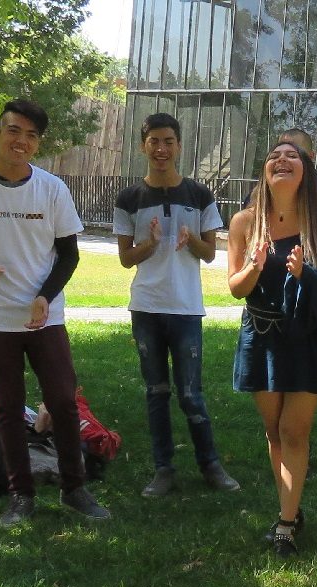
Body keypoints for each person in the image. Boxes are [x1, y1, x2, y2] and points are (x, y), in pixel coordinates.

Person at [0, 99, 111, 527]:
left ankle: (75, 488)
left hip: (45, 317)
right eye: (14, 131)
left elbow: (69, 256)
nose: (22, 141)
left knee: (62, 403)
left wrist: (45, 296)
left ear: (38, 144)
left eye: (32, 135)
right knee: (10, 408)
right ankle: (20, 495)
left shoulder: (52, 189)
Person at [228, 141, 317, 557]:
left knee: (294, 431)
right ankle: (290, 510)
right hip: (260, 334)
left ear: (305, 172)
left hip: (307, 338)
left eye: (292, 156)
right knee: (273, 429)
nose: (282, 160)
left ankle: (284, 525)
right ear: (264, 170)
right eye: (274, 156)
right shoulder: (245, 222)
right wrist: (254, 266)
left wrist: (305, 273)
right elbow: (235, 288)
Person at [113, 112, 240, 497]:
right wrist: (149, 246)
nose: (161, 149)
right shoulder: (129, 198)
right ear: (143, 146)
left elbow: (210, 254)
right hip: (147, 309)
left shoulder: (199, 195)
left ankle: (210, 465)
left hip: (186, 309)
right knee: (156, 392)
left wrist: (193, 241)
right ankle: (163, 468)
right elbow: (125, 258)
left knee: (190, 393)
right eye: (154, 141)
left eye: (168, 141)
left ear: (179, 146)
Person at [278, 128, 317, 217]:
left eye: (292, 154)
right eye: (276, 154)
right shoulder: (259, 197)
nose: (282, 159)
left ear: (310, 157)